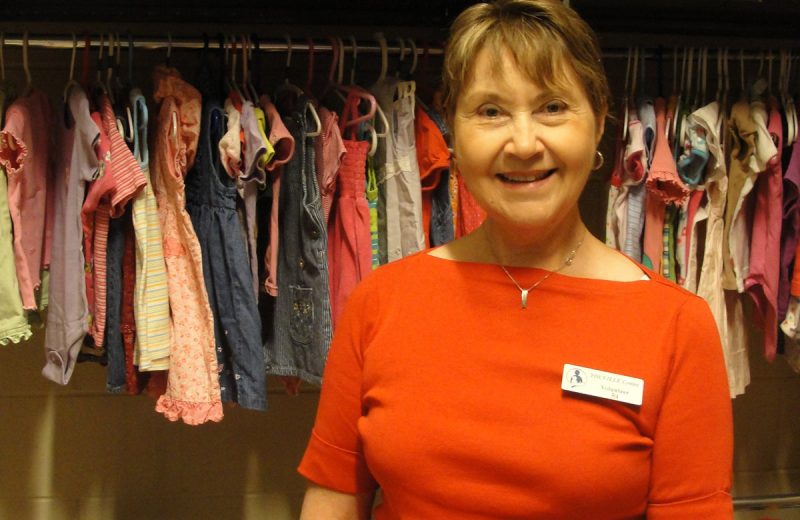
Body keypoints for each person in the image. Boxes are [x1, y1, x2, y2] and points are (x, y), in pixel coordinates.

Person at [298, 1, 734, 518]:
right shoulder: (380, 303)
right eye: (491, 112)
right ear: (452, 129)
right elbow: (333, 499)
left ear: (599, 120)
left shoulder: (677, 327)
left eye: (552, 107)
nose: (524, 144)